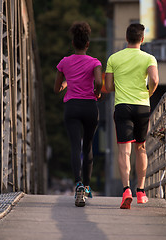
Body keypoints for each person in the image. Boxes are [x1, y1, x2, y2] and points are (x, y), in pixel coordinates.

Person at [105, 23, 159, 209]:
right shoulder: (149, 58)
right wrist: (149, 93)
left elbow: (109, 86)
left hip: (122, 106)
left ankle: (126, 190)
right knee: (141, 148)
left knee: (124, 151)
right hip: (142, 106)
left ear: (126, 38)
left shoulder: (114, 58)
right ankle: (141, 192)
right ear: (142, 39)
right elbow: (154, 80)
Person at [54, 21, 102, 207]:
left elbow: (57, 88)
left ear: (73, 43)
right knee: (87, 146)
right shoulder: (95, 62)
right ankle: (88, 187)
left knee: (75, 146)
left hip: (72, 107)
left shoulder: (64, 62)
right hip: (90, 107)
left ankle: (78, 184)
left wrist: (68, 83)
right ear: (87, 44)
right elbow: (98, 82)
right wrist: (96, 92)